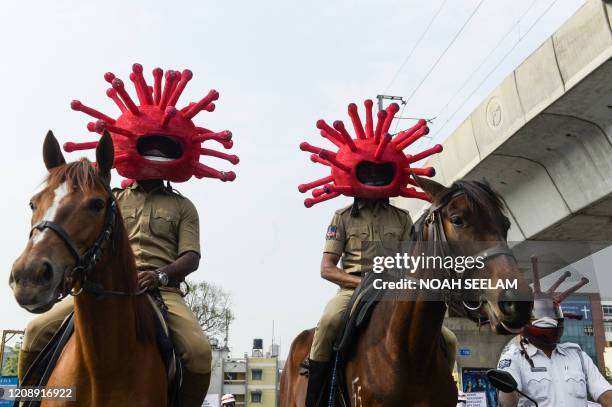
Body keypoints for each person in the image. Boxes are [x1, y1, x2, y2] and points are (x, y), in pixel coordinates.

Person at [18, 63, 240, 407]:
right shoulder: (111, 199)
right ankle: (27, 400)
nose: (157, 154)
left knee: (197, 354)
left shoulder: (183, 207)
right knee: (34, 333)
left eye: (165, 149)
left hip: (160, 290)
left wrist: (161, 274)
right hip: (98, 283)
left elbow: (191, 257)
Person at [497, 264, 612, 407]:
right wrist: (507, 393)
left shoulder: (578, 356)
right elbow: (507, 400)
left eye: (552, 313)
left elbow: (604, 393)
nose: (547, 319)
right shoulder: (514, 357)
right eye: (539, 314)